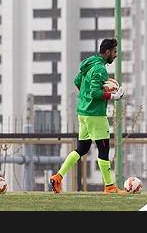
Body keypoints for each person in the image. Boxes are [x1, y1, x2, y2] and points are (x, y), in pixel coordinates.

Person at [49, 37, 125, 194]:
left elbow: (77, 81)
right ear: (108, 52)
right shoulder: (100, 69)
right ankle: (109, 187)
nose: (116, 55)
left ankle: (58, 177)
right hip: (95, 115)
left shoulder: (89, 64)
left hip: (83, 113)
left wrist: (85, 99)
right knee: (103, 150)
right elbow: (95, 92)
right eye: (115, 52)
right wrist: (114, 96)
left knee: (82, 148)